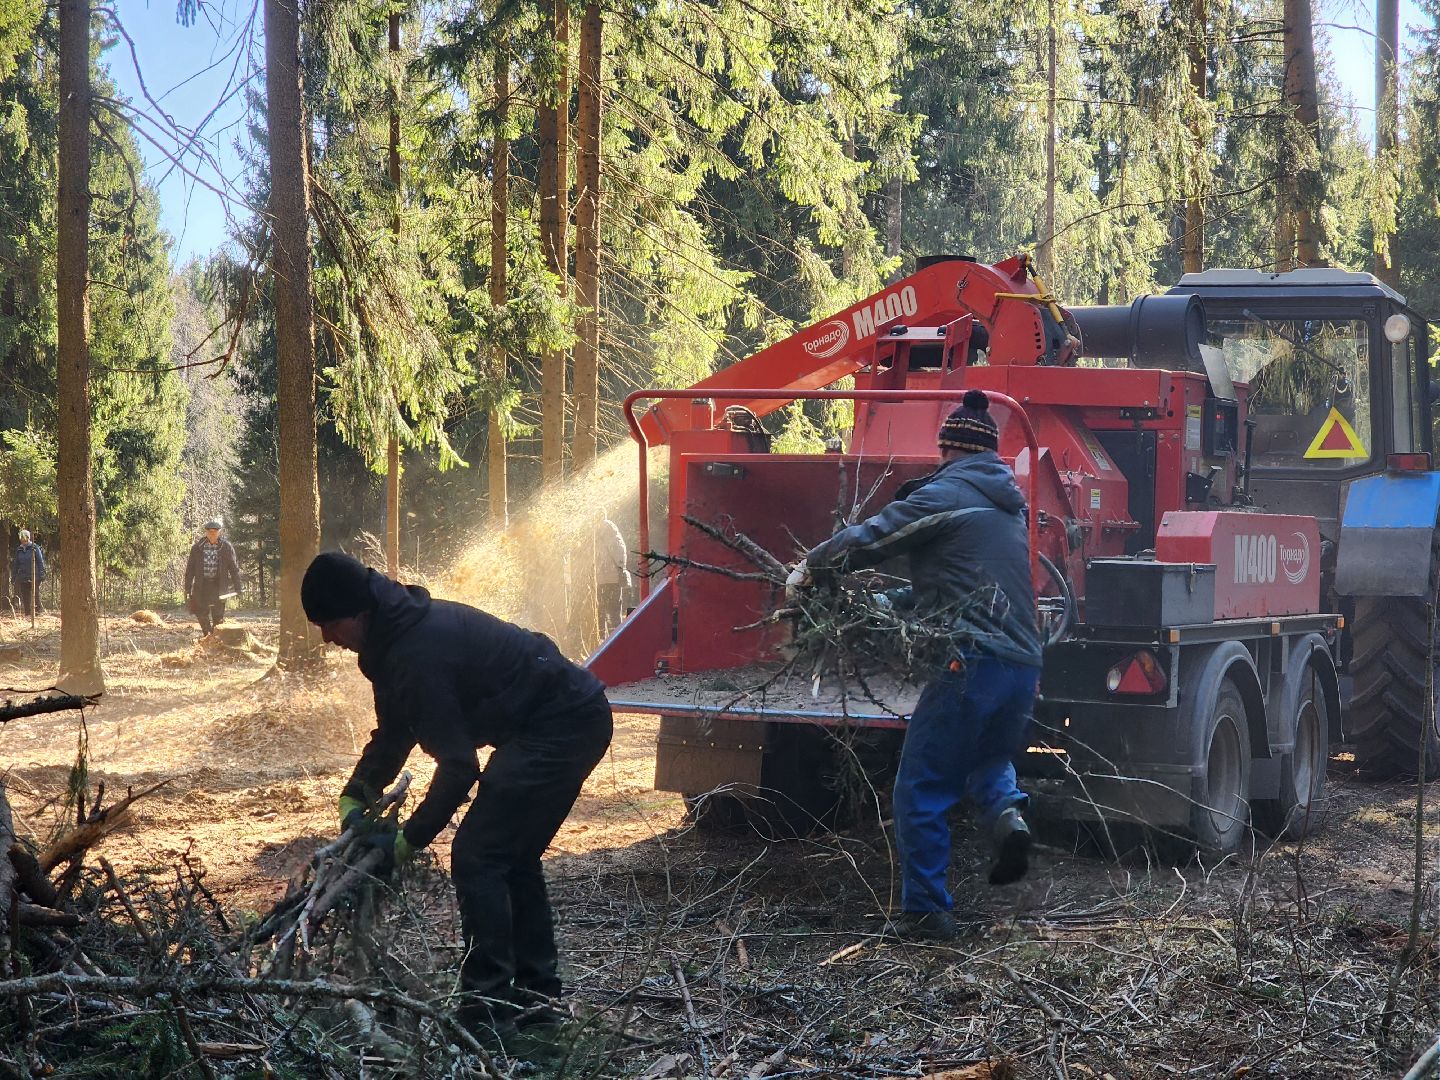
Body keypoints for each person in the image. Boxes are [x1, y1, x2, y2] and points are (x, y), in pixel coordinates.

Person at [301, 551, 613, 1049]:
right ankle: (535, 1004)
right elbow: (397, 729)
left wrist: (407, 840)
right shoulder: (389, 645)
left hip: (563, 724)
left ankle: (487, 1012)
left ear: (358, 612)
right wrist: (356, 792)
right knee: (511, 857)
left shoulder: (416, 650)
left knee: (478, 854)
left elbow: (459, 765)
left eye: (330, 624)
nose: (326, 638)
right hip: (561, 719)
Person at [789, 389, 1043, 942]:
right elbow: (956, 589)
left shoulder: (951, 490)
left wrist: (813, 565)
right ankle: (1008, 816)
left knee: (921, 784)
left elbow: (880, 534)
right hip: (1022, 665)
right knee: (986, 757)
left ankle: (927, 912)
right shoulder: (1004, 505)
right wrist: (886, 604)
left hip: (971, 663)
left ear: (949, 448)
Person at [183, 518, 242, 636]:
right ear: (206, 532)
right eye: (210, 532)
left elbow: (234, 569)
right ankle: (207, 634)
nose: (212, 534)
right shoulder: (197, 548)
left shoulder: (226, 547)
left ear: (219, 532)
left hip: (218, 586)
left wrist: (238, 587)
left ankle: (216, 638)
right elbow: (190, 570)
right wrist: (187, 588)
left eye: (215, 532)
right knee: (201, 612)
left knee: (218, 615)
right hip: (202, 585)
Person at [593, 509, 632, 636]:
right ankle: (616, 637)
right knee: (615, 609)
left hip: (599, 578)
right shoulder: (610, 529)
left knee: (601, 609)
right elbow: (619, 550)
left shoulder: (594, 532)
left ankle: (601, 637)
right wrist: (622, 567)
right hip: (613, 577)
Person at [11, 529, 46, 617]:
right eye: (21, 539)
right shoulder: (19, 550)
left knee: (35, 593)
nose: (23, 540)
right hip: (23, 576)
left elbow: (40, 561)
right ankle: (27, 613)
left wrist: (42, 573)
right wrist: (14, 576)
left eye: (25, 538)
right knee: (25, 595)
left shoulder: (35, 547)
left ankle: (38, 612)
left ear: (28, 538)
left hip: (35, 575)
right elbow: (16, 564)